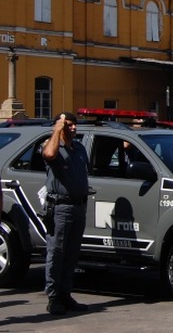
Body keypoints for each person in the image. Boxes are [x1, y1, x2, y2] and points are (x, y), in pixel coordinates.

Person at [41, 112, 90, 315]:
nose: (73, 128)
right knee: (57, 253)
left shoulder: (78, 148)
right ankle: (53, 299)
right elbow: (49, 155)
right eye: (68, 125)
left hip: (78, 207)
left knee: (71, 254)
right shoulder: (52, 146)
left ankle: (65, 294)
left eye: (74, 125)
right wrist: (56, 130)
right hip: (60, 208)